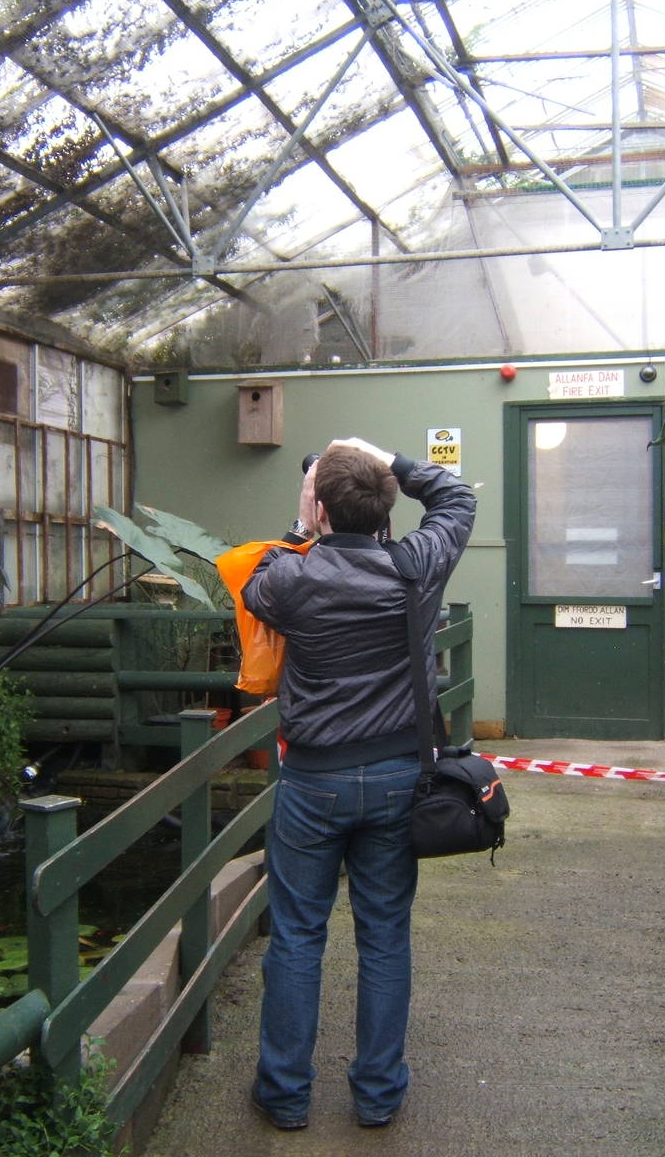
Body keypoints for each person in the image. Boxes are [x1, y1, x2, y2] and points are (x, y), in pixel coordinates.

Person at [243, 436, 476, 1131]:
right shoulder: (417, 567)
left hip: (313, 782)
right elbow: (456, 498)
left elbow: (256, 583)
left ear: (321, 509)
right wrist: (389, 460)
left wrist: (301, 521)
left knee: (296, 936)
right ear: (386, 507)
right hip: (401, 776)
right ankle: (377, 1096)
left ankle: (285, 1094)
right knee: (384, 937)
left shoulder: (293, 577)